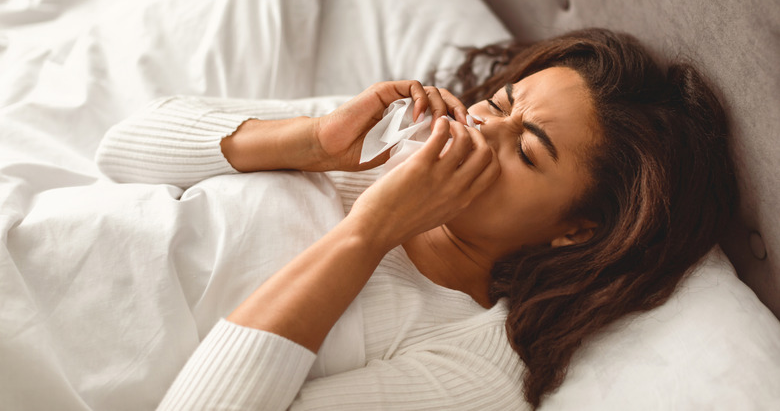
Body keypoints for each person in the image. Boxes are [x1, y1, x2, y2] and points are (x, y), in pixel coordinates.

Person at [96, 28, 737, 410]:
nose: (484, 127)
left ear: (576, 230)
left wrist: (368, 234)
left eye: (527, 149)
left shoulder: (475, 367)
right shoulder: (375, 143)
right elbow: (120, 152)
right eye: (503, 101)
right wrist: (315, 140)